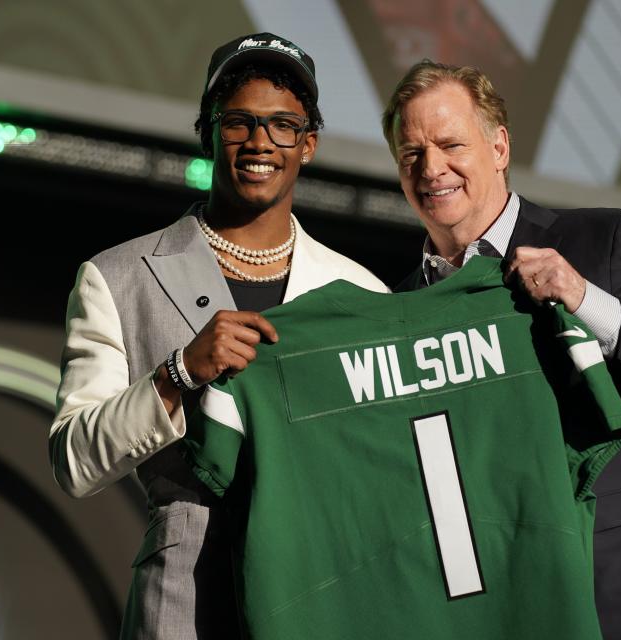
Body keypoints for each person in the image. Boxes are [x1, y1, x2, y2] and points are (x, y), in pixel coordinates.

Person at [381, 60, 621, 640]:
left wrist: (583, 297)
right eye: (411, 154)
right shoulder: (394, 310)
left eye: (451, 144)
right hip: (506, 606)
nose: (431, 169)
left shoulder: (604, 239)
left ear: (499, 146)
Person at [49, 32, 387, 640]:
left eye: (284, 125)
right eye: (240, 122)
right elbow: (74, 459)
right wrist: (178, 374)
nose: (261, 142)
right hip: (186, 596)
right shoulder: (116, 277)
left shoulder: (360, 291)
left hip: (324, 589)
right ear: (207, 131)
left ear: (307, 144)